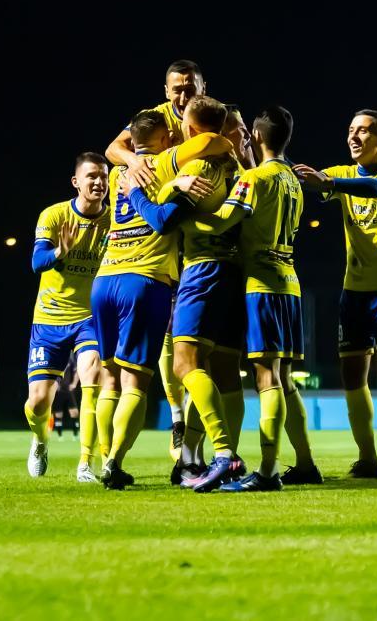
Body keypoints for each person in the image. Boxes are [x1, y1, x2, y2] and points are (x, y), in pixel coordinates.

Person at [122, 96, 246, 492]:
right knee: (223, 373)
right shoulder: (236, 165)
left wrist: (136, 192)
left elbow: (162, 221)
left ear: (190, 129)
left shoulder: (199, 166)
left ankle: (223, 454)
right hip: (235, 273)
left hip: (203, 271)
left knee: (184, 365)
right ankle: (196, 457)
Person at [293, 109, 377, 479]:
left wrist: (329, 184)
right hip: (355, 292)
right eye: (351, 130)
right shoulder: (342, 173)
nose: (354, 136)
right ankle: (368, 459)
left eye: (364, 131)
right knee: (351, 375)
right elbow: (305, 181)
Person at [92, 109, 217, 489]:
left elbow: (119, 153)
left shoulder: (117, 173)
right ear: (164, 139)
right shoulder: (165, 163)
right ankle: (113, 462)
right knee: (135, 383)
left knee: (109, 380)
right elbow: (209, 144)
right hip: (143, 282)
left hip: (104, 280)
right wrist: (181, 180)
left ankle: (102, 456)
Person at [188, 105, 308, 491]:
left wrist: (181, 218)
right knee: (283, 379)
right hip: (290, 283)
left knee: (267, 378)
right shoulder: (293, 179)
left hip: (261, 285)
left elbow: (221, 221)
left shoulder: (255, 179)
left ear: (256, 136)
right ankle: (303, 463)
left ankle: (269, 472)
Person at [23, 152, 110, 483]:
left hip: (90, 317)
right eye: (92, 176)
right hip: (49, 318)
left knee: (93, 380)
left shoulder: (114, 220)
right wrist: (61, 251)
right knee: (37, 402)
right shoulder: (55, 215)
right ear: (76, 181)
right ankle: (40, 440)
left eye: (103, 176)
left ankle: (85, 463)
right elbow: (37, 263)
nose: (99, 182)